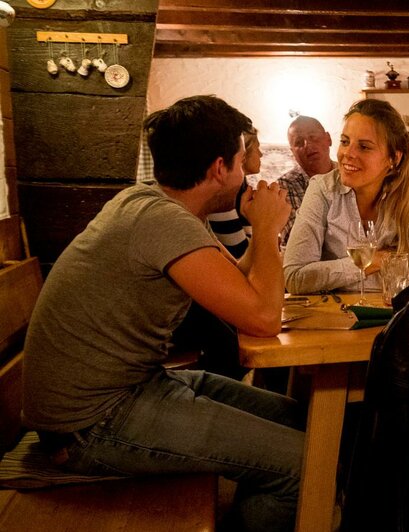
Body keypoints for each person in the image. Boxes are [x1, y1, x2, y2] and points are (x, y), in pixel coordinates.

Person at [22, 95, 303, 532]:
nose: (247, 169)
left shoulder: (158, 207)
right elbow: (263, 320)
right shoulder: (164, 222)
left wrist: (260, 227)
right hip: (91, 424)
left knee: (297, 419)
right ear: (219, 168)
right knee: (303, 464)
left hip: (132, 389)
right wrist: (267, 229)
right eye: (240, 157)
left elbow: (238, 286)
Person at [284, 99, 409, 294]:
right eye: (345, 142)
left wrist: (337, 274)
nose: (347, 154)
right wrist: (376, 260)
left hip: (394, 314)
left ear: (393, 158)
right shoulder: (323, 189)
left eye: (364, 147)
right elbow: (295, 278)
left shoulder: (407, 195)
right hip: (336, 318)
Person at [278, 115, 335, 247]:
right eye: (298, 142)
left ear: (328, 139)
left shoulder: (348, 175)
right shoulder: (285, 186)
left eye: (313, 137)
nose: (307, 145)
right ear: (292, 152)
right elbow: (300, 240)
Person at [208, 127, 261, 258]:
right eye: (257, 147)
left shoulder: (242, 188)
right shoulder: (220, 195)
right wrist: (266, 225)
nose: (261, 154)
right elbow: (241, 254)